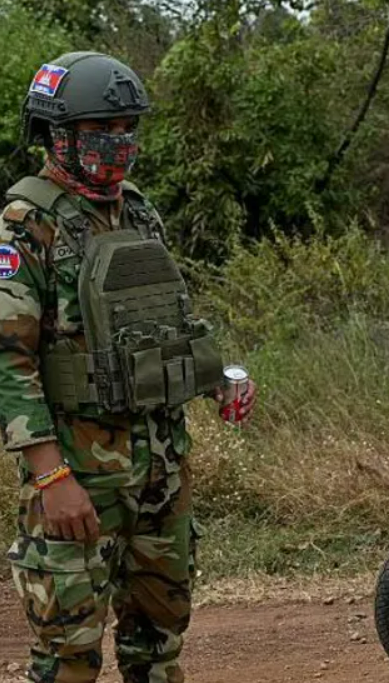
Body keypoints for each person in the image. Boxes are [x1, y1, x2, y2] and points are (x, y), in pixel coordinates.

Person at [0, 52, 255, 683]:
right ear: (56, 136)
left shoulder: (138, 211)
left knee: (159, 648)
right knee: (68, 657)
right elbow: (8, 359)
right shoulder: (24, 225)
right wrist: (50, 475)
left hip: (161, 471)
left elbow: (159, 326)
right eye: (100, 133)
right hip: (77, 474)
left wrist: (214, 377)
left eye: (126, 130)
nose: (119, 145)